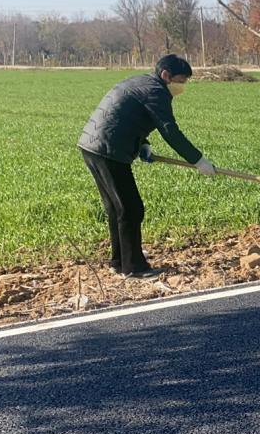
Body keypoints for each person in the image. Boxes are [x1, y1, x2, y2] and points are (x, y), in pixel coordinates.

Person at [78, 54, 216, 277]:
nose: (183, 86)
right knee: (131, 209)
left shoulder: (141, 82)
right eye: (181, 81)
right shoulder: (157, 91)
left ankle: (119, 262)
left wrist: (143, 144)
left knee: (116, 208)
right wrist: (198, 160)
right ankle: (133, 268)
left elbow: (128, 116)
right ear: (166, 75)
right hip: (108, 150)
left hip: (91, 145)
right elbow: (169, 130)